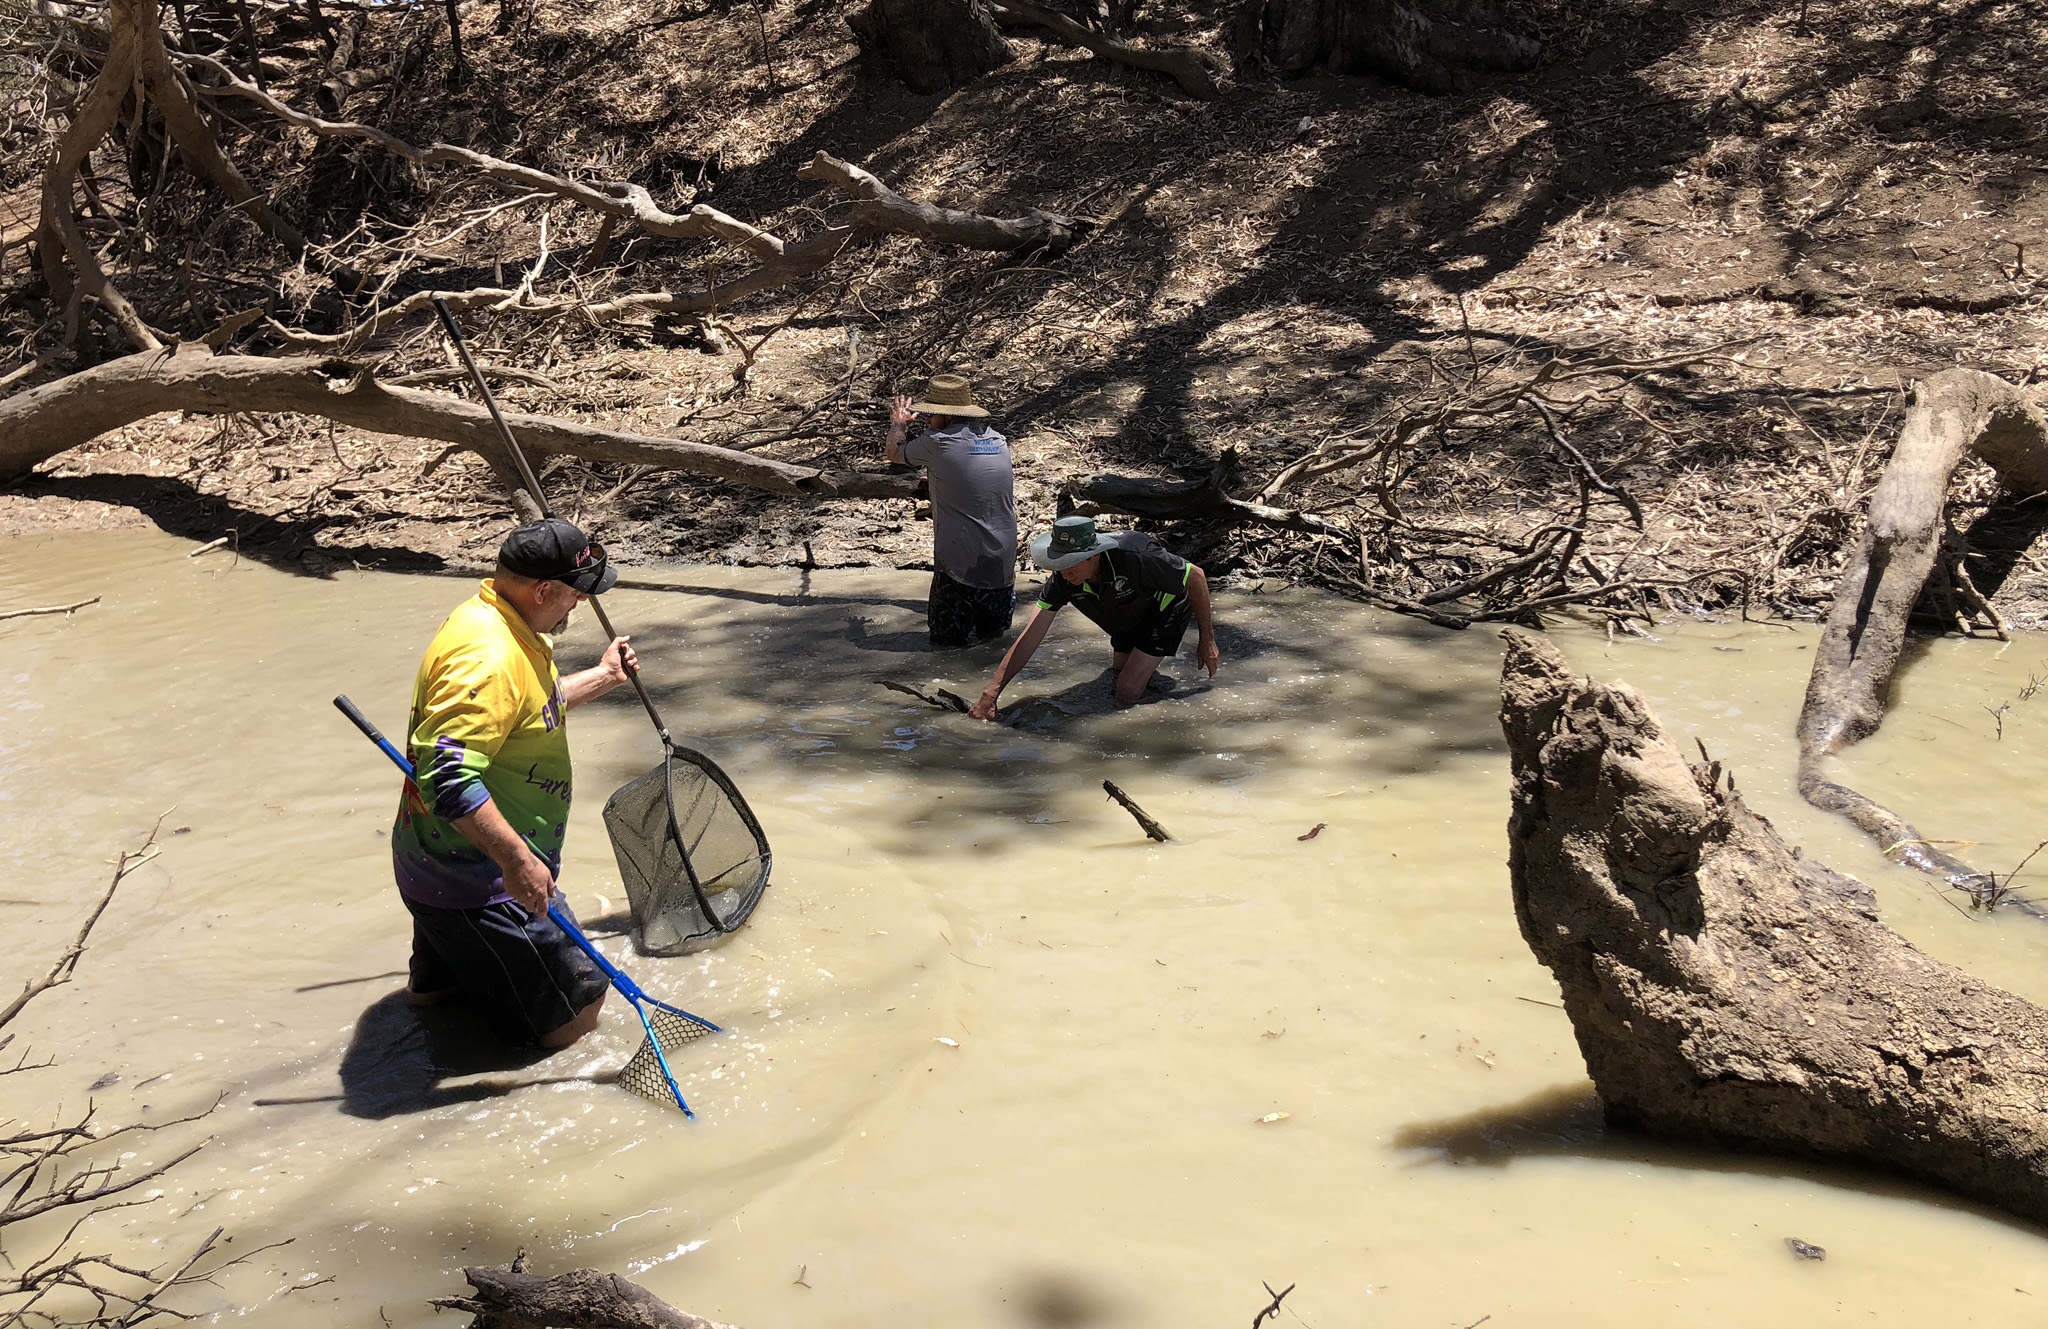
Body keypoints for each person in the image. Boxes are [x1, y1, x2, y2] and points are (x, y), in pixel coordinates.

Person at [390, 517, 637, 1048]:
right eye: (573, 595)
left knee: (440, 1001)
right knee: (578, 1020)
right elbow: (449, 776)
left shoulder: (493, 617)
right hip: (480, 880)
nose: (576, 606)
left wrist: (605, 677)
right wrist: (518, 862)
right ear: (544, 590)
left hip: (433, 863)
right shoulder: (490, 656)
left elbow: (526, 710)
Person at [969, 515, 1220, 720]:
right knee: (1116, 676)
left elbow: (1195, 576)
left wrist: (1206, 639)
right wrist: (991, 694)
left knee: (1126, 691)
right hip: (1124, 613)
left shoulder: (1137, 556)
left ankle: (1166, 717)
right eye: (1059, 562)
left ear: (1095, 555)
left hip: (1165, 609)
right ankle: (1153, 685)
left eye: (1073, 563)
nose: (1066, 572)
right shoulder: (1063, 579)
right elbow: (1030, 637)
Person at [885, 373, 1018, 649]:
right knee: (992, 646)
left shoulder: (939, 442)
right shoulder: (998, 441)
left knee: (945, 649)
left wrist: (898, 424)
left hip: (960, 565)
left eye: (932, 415)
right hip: (1002, 566)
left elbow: (895, 453)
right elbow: (970, 472)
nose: (928, 420)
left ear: (946, 417)